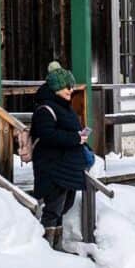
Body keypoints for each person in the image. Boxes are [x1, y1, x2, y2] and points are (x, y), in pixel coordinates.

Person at [31, 62, 89, 252]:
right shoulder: (45, 109)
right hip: (52, 165)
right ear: (55, 87)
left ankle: (57, 245)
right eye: (66, 87)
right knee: (54, 207)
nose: (70, 90)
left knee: (64, 206)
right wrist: (75, 138)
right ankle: (48, 248)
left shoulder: (64, 106)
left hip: (66, 165)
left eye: (71, 86)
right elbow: (47, 135)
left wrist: (80, 138)